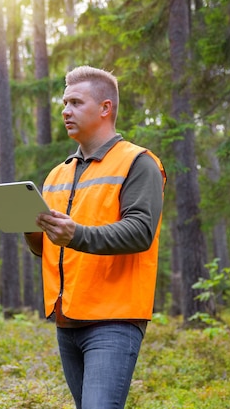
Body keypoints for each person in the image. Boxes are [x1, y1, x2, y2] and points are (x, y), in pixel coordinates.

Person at [24, 66, 166, 409]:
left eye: (75, 102)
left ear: (105, 108)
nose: (65, 111)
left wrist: (76, 234)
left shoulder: (138, 163)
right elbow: (48, 247)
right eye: (64, 103)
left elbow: (140, 231)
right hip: (67, 320)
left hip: (114, 320)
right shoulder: (57, 173)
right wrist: (31, 227)